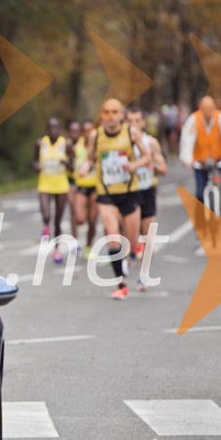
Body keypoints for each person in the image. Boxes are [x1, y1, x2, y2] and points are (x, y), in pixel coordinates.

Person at [78, 98, 150, 300]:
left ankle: (130, 256)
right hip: (107, 194)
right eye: (107, 112)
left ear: (121, 115)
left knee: (132, 241)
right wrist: (85, 166)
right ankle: (121, 285)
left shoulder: (131, 133)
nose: (110, 116)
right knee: (112, 236)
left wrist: (135, 166)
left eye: (114, 112)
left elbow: (147, 157)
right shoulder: (96, 136)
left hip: (129, 193)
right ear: (102, 115)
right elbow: (90, 157)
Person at [125, 109, 167, 287]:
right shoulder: (121, 142)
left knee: (148, 234)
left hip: (147, 190)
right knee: (129, 236)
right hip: (128, 192)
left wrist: (152, 165)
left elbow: (163, 169)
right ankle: (127, 259)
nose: (133, 124)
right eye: (130, 121)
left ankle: (144, 273)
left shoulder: (151, 142)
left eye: (137, 120)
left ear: (142, 123)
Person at [179, 96, 221, 206]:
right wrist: (187, 159)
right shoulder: (194, 119)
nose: (207, 111)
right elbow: (187, 139)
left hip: (219, 157)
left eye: (209, 108)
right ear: (200, 108)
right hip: (200, 160)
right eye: (204, 108)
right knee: (200, 191)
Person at [34, 118, 72, 263]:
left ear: (60, 129)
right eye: (50, 128)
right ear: (47, 129)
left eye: (56, 127)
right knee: (46, 214)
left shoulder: (66, 144)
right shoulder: (40, 143)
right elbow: (34, 161)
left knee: (58, 220)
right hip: (44, 183)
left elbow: (72, 166)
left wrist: (66, 162)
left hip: (61, 185)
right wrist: (36, 166)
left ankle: (56, 250)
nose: (53, 130)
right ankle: (46, 226)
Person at [68, 120, 98, 259]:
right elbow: (70, 164)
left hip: (95, 187)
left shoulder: (98, 146)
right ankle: (85, 209)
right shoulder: (76, 147)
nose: (88, 133)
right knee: (80, 219)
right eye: (85, 130)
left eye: (90, 130)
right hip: (81, 186)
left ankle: (88, 246)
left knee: (92, 220)